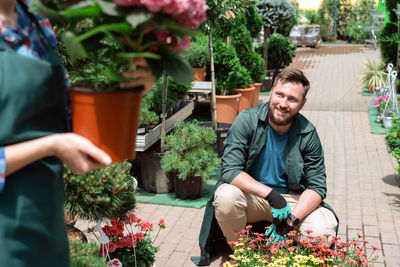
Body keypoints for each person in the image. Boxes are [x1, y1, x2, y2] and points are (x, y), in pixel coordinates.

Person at [0, 0, 155, 265]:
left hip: (46, 227)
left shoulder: (33, 20)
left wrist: (134, 86)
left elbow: (60, 113)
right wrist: (53, 146)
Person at [192, 69, 338, 266]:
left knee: (323, 231)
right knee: (225, 196)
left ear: (302, 103)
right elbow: (230, 170)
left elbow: (317, 186)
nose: (283, 104)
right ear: (271, 93)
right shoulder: (247, 119)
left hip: (291, 199)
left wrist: (291, 222)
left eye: (292, 99)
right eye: (279, 95)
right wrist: (272, 196)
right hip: (252, 197)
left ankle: (295, 257)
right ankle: (240, 252)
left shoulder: (308, 132)